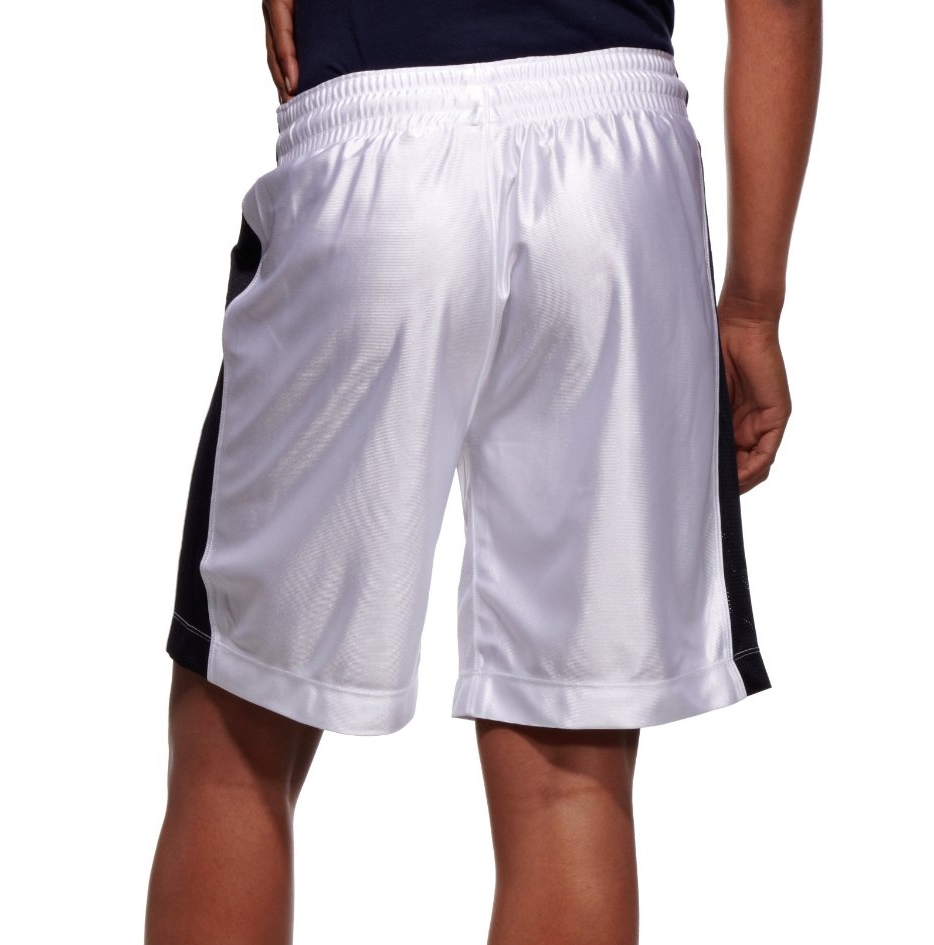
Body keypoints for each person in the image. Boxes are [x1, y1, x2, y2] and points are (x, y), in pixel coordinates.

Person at [146, 1, 822, 942]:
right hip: (617, 167)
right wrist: (751, 307)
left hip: (379, 129)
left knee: (237, 747)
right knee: (569, 775)